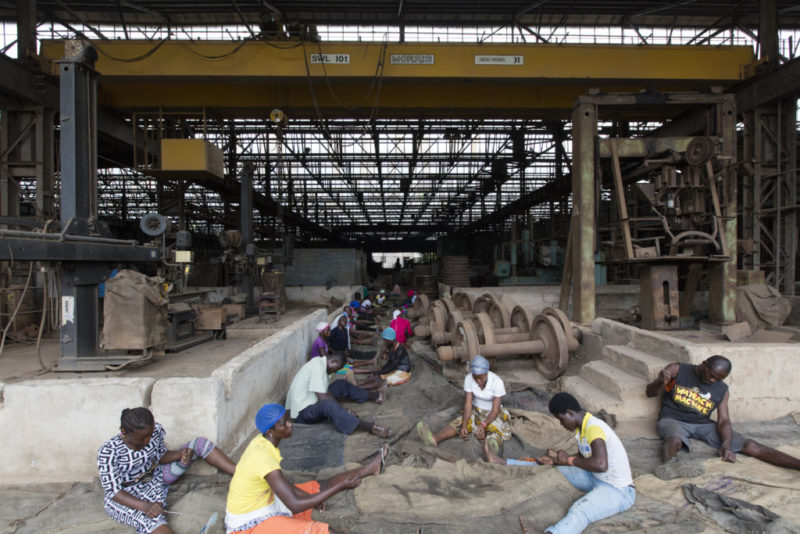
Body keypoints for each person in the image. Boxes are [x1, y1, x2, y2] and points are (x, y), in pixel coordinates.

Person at [225, 403, 389, 534]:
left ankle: (370, 468)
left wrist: (307, 495)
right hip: (248, 526)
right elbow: (295, 505)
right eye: (284, 423)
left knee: (318, 487)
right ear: (270, 432)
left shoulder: (262, 442)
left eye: (288, 419)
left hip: (264, 502)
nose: (290, 424)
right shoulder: (263, 458)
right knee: (319, 530)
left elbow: (281, 484)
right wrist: (341, 486)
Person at [488, 392, 634, 534]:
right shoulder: (582, 428)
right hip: (594, 477)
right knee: (552, 468)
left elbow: (601, 465)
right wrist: (557, 460)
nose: (562, 424)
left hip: (618, 490)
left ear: (570, 413)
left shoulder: (593, 428)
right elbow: (585, 456)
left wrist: (569, 460)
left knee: (580, 510)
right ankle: (505, 462)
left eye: (561, 419)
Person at [646, 355, 800, 477]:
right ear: (704, 364)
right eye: (712, 375)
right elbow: (649, 393)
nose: (712, 381)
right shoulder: (677, 369)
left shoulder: (722, 389)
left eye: (718, 379)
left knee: (750, 445)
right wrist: (660, 382)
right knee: (674, 440)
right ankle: (671, 466)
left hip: (702, 424)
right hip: (673, 418)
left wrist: (726, 445)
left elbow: (723, 420)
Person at [97, 407, 237, 534]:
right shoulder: (109, 452)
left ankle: (242, 474)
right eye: (142, 437)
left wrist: (180, 454)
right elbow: (114, 492)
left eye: (150, 435)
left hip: (154, 479)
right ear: (125, 432)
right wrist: (146, 506)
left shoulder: (154, 431)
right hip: (126, 497)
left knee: (199, 444)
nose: (148, 439)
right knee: (152, 518)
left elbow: (160, 456)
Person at [285, 352, 391, 438]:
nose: (335, 371)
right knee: (327, 405)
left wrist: (343, 410)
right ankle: (370, 427)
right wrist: (345, 411)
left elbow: (325, 391)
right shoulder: (316, 367)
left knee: (340, 385)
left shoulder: (321, 365)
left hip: (310, 401)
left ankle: (375, 396)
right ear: (334, 362)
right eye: (337, 369)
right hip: (301, 414)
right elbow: (323, 398)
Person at [416, 355, 511, 449]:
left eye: (481, 377)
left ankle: (491, 448)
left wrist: (484, 424)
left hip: (493, 413)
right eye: (475, 377)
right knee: (458, 423)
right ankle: (434, 439)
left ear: (487, 373)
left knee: (495, 429)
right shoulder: (469, 379)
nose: (478, 381)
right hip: (476, 410)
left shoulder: (497, 382)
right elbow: (468, 404)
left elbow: (495, 409)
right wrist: (464, 425)